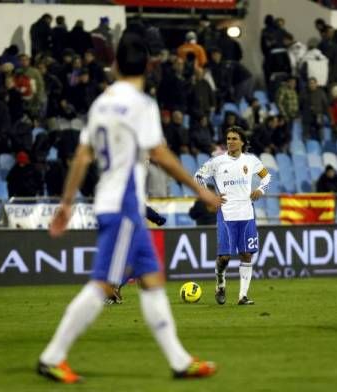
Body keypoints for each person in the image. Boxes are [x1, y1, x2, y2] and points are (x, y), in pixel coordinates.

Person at [37, 33, 220, 384]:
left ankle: (180, 360)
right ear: (149, 67)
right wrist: (200, 190)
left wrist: (66, 203)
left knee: (151, 281)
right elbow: (161, 154)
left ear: (116, 65)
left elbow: (82, 156)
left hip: (116, 202)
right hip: (121, 204)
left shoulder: (102, 103)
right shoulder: (142, 105)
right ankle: (52, 356)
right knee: (102, 284)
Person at [195, 126, 271, 306]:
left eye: (234, 138)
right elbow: (198, 176)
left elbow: (267, 177)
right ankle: (220, 281)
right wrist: (210, 196)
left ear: (242, 142)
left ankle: (243, 296)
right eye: (228, 138)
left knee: (246, 255)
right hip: (227, 214)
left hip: (246, 213)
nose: (230, 142)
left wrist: (260, 189)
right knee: (225, 257)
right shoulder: (217, 162)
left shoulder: (251, 161)